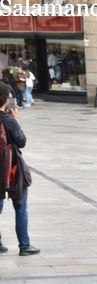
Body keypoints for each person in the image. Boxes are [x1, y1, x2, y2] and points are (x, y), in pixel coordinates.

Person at [0, 85, 38, 256]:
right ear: (6, 99)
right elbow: (21, 141)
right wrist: (15, 119)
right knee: (20, 206)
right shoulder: (8, 120)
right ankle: (24, 245)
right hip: (12, 169)